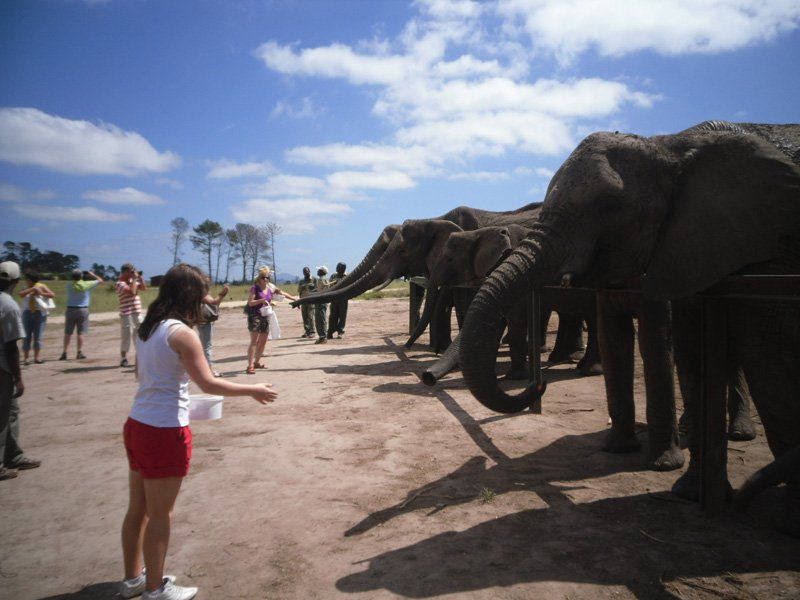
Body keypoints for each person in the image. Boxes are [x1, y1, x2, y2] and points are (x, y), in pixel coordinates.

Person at [119, 263, 277, 600]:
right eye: (203, 291)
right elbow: (207, 381)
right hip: (163, 433)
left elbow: (148, 380)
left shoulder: (148, 328)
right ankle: (155, 589)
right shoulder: (182, 333)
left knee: (138, 508)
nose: (207, 298)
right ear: (189, 294)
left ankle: (134, 577)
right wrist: (253, 389)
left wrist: (181, 401)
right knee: (161, 513)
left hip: (137, 424)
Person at [0, 261, 41, 481]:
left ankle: (13, 455)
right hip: (3, 368)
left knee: (12, 412)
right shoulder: (9, 305)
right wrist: (18, 377)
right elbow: (10, 346)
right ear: (15, 282)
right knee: (2, 415)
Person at [245, 267, 297, 374]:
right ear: (259, 278)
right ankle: (250, 365)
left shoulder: (270, 288)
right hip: (255, 316)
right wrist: (261, 300)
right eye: (263, 277)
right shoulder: (255, 288)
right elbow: (250, 302)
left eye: (267, 277)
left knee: (263, 340)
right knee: (254, 341)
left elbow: (282, 293)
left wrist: (294, 299)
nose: (265, 279)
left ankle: (257, 362)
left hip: (266, 316)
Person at [60, 268, 103, 360]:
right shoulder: (87, 284)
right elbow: (100, 280)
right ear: (81, 276)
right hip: (82, 309)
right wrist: (92, 274)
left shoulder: (68, 285)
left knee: (68, 332)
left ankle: (64, 352)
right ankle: (79, 352)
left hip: (70, 309)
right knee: (81, 332)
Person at [17, 270, 56, 365]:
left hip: (40, 312)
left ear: (31, 279)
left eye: (27, 279)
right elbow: (21, 294)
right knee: (26, 336)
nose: (26, 280)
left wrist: (41, 293)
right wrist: (32, 289)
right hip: (27, 313)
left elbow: (52, 295)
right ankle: (26, 358)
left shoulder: (42, 286)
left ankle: (36, 358)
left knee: (38, 336)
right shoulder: (25, 287)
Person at [117, 263, 147, 368]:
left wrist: (140, 277)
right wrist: (134, 280)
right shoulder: (120, 284)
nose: (132, 273)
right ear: (125, 272)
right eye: (131, 272)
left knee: (140, 335)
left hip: (137, 312)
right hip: (127, 314)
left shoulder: (132, 281)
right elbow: (132, 292)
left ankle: (141, 357)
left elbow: (143, 288)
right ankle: (123, 358)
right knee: (127, 336)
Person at [197, 281, 229, 377]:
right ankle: (209, 371)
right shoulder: (202, 293)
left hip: (201, 321)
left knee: (204, 346)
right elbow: (214, 302)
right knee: (206, 347)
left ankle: (204, 369)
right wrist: (223, 293)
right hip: (204, 322)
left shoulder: (195, 292)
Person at [327, 262, 348, 339]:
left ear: (343, 269)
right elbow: (329, 286)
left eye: (339, 267)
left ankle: (340, 331)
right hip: (334, 298)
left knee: (342, 315)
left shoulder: (347, 276)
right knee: (333, 316)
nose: (337, 268)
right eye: (337, 267)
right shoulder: (333, 276)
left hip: (343, 299)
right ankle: (330, 331)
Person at [296, 267, 315, 338]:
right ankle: (307, 331)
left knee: (310, 316)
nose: (305, 273)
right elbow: (299, 291)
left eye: (307, 272)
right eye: (304, 272)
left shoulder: (314, 279)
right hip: (303, 300)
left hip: (311, 300)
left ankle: (312, 331)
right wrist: (299, 301)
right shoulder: (301, 281)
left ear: (309, 271)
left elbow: (317, 289)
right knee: (305, 317)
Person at [313, 266, 330, 344]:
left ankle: (322, 337)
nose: (317, 271)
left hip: (320, 301)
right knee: (321, 318)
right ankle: (322, 336)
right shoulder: (325, 279)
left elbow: (319, 291)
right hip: (323, 301)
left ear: (322, 271)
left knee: (320, 319)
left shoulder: (321, 279)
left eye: (319, 270)